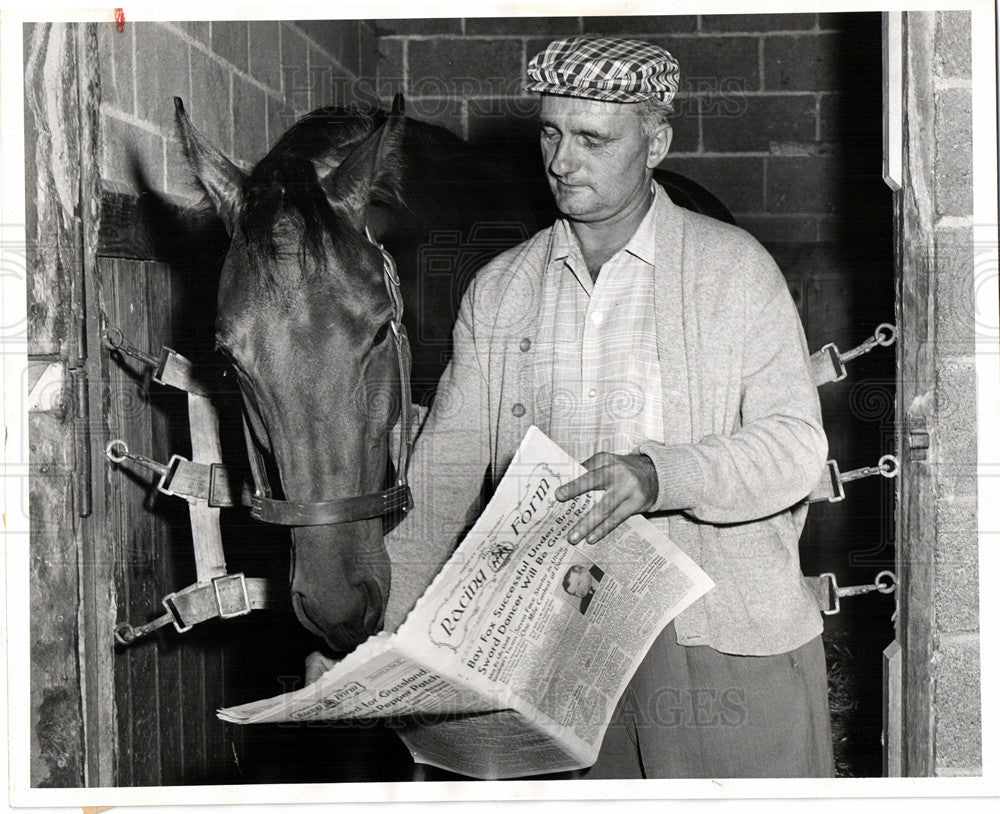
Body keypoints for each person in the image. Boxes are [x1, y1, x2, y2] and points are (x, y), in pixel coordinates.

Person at [375, 34, 833, 779]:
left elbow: (794, 449)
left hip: (712, 647)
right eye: (551, 133)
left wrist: (660, 476)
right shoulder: (501, 290)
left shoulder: (734, 271)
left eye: (592, 138)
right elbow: (441, 484)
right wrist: (381, 643)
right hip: (556, 645)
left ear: (656, 141)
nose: (561, 161)